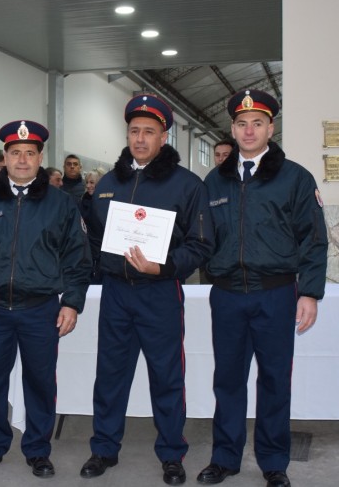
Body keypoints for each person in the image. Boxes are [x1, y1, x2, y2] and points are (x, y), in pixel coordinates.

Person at [80, 95, 213, 486]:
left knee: (167, 377)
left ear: (163, 136)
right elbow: (93, 237)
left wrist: (165, 266)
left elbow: (202, 243)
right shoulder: (107, 183)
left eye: (149, 132)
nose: (140, 139)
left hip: (160, 293)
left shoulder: (186, 185)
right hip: (117, 293)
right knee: (109, 375)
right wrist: (99, 268)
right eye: (135, 131)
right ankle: (104, 449)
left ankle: (172, 454)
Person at [198, 89, 328, 487]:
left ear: (271, 127)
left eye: (257, 123)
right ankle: (225, 458)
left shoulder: (295, 178)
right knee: (228, 380)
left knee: (274, 379)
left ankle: (274, 462)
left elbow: (314, 239)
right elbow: (202, 237)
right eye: (241, 123)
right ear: (232, 129)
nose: (249, 130)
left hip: (275, 293)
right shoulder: (215, 180)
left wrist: (309, 292)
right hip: (228, 296)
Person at [0, 119, 90, 479]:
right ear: (5, 158)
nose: (23, 160)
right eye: (16, 153)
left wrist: (72, 302)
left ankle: (38, 449)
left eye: (30, 153)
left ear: (40, 157)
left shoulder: (61, 204)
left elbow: (77, 257)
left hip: (40, 310)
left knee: (41, 382)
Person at [78, 168, 104, 284]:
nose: (88, 185)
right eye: (87, 182)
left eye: (92, 182)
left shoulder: (107, 203)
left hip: (101, 254)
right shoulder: (83, 201)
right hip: (85, 252)